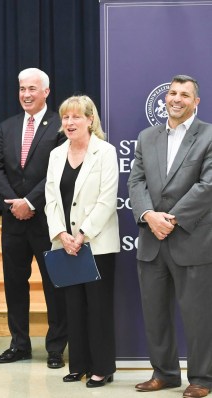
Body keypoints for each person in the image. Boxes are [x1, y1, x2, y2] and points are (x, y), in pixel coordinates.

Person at [128, 75, 212, 398]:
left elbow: (207, 187)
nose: (176, 99)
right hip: (152, 242)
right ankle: (164, 373)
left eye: (184, 94)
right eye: (173, 93)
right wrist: (149, 216)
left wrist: (171, 220)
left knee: (199, 317)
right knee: (155, 314)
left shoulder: (208, 136)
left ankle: (203, 378)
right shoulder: (146, 137)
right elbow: (136, 183)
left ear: (196, 102)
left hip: (192, 242)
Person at [0, 68, 67, 368]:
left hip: (47, 218)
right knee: (14, 284)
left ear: (46, 92)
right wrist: (14, 203)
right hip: (13, 220)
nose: (26, 94)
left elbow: (57, 171)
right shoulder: (7, 126)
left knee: (54, 285)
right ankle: (19, 344)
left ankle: (56, 348)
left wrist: (29, 202)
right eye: (22, 88)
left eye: (32, 89)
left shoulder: (62, 125)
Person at [45, 95, 119, 387]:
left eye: (76, 117)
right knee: (72, 307)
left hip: (96, 244)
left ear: (90, 120)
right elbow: (50, 198)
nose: (70, 122)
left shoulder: (106, 152)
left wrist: (82, 235)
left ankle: (102, 367)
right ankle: (78, 364)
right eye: (65, 117)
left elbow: (107, 199)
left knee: (98, 308)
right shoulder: (56, 154)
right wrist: (61, 234)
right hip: (65, 244)